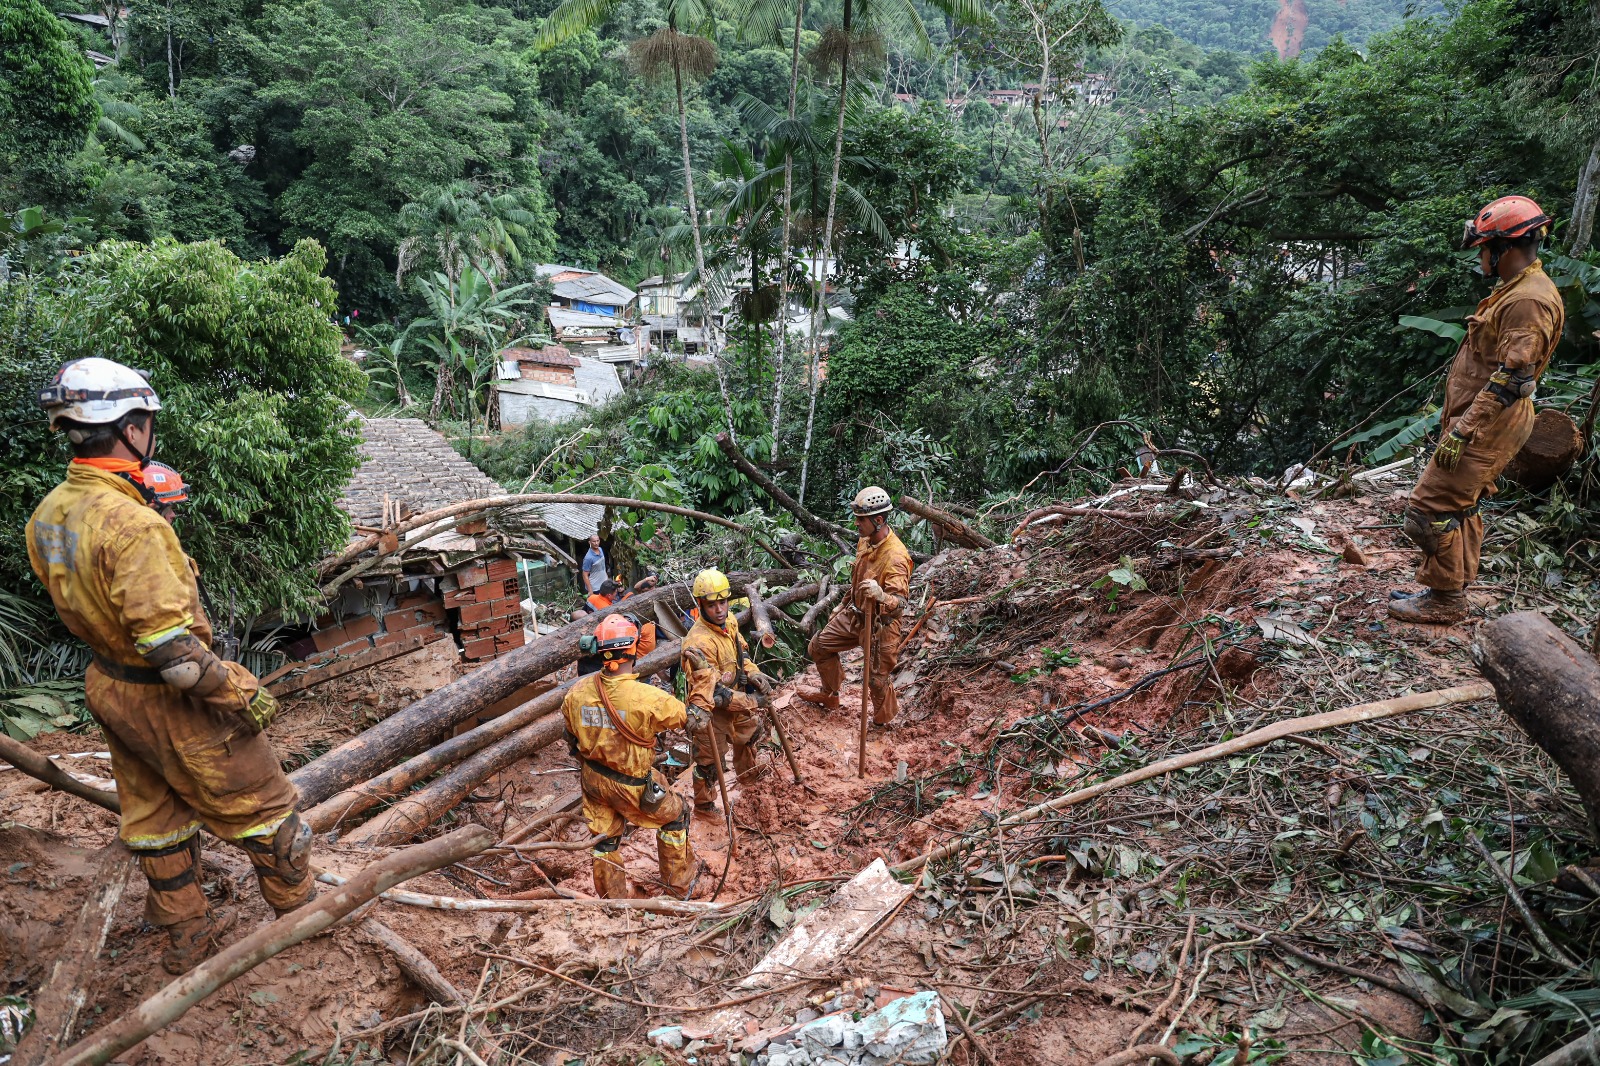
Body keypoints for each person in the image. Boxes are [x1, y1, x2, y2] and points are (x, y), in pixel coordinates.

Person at [26, 358, 314, 974]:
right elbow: (175, 658)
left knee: (155, 816)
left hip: (110, 686)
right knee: (271, 814)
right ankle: (305, 926)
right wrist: (238, 690)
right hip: (170, 699)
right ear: (130, 427)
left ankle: (187, 938)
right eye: (147, 422)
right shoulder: (134, 525)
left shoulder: (51, 512)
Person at [1390, 196, 1566, 625]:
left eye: (1485, 248)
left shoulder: (1528, 302)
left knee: (1427, 509)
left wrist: (1464, 430)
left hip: (1488, 425)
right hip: (1483, 420)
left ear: (1503, 248)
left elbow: (1513, 380)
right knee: (1460, 505)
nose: (1481, 257)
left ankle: (1445, 600)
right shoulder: (1515, 290)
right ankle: (1450, 587)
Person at [561, 614, 699, 898]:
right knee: (676, 816)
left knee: (604, 841)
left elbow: (570, 738)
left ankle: (613, 903)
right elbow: (691, 719)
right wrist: (705, 679)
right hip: (631, 785)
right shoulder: (648, 698)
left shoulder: (576, 693)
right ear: (634, 650)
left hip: (593, 781)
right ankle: (678, 888)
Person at [797, 486, 913, 725]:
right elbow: (858, 580)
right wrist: (844, 604)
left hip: (882, 624)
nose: (856, 524)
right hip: (856, 615)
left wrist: (881, 596)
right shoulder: (865, 540)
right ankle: (830, 694)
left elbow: (900, 605)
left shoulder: (896, 557)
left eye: (861, 519)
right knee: (819, 646)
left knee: (877, 681)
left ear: (878, 520)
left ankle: (884, 722)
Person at [680, 568, 773, 812]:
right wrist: (753, 700)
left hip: (738, 697)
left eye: (723, 602)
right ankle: (705, 806)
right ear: (700, 605)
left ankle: (749, 779)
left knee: (749, 736)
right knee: (710, 763)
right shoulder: (697, 643)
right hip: (713, 710)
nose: (719, 610)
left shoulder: (729, 621)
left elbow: (741, 654)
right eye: (712, 605)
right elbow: (715, 694)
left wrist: (753, 673)